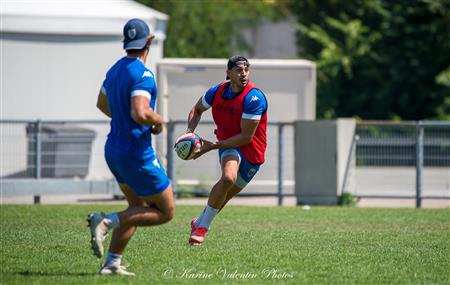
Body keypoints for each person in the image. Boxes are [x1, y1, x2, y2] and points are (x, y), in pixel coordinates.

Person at [87, 18, 174, 276]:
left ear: (126, 43)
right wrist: (158, 120)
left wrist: (124, 116)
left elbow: (102, 104)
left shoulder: (115, 70)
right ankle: (106, 221)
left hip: (113, 150)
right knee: (166, 211)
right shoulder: (143, 74)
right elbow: (140, 112)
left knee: (137, 207)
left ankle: (112, 262)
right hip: (136, 154)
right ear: (149, 41)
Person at [185, 56, 268, 245]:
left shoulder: (254, 97)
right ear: (228, 73)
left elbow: (246, 137)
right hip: (230, 146)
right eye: (239, 70)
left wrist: (212, 146)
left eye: (246, 69)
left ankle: (198, 221)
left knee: (223, 197)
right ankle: (202, 229)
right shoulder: (216, 92)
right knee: (228, 178)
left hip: (252, 153)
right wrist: (189, 134)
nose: (244, 73)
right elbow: (196, 110)